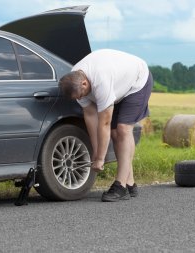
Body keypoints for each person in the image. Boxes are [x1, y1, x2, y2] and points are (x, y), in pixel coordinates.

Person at [58, 49, 153, 202]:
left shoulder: (100, 80)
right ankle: (130, 183)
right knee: (115, 133)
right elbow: (90, 116)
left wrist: (100, 159)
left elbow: (105, 123)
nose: (81, 98)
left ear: (84, 83)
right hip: (118, 85)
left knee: (122, 130)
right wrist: (96, 154)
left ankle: (120, 186)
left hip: (137, 81)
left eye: (81, 95)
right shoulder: (75, 81)